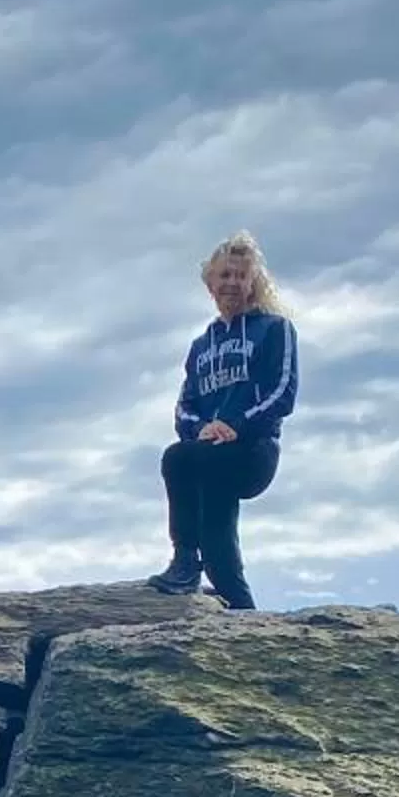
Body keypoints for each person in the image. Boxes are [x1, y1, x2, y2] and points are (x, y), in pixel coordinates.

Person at [149, 233, 298, 610]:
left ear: (253, 283)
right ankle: (235, 607)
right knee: (217, 551)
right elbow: (185, 406)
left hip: (252, 451)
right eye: (224, 276)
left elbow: (282, 392)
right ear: (210, 284)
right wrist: (201, 429)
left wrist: (235, 425)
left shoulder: (275, 329)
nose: (231, 283)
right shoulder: (202, 345)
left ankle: (185, 562)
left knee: (179, 458)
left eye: (240, 275)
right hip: (208, 451)